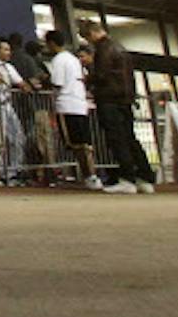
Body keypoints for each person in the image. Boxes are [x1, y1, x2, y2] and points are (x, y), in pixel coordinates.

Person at [79, 21, 153, 193]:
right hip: (125, 99)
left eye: (87, 38)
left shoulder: (103, 49)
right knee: (130, 138)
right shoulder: (120, 48)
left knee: (117, 139)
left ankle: (127, 178)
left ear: (92, 34)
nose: (89, 42)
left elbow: (102, 75)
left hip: (109, 99)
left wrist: (88, 80)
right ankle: (145, 177)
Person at [43, 29, 98, 189]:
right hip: (80, 104)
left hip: (67, 104)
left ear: (51, 43)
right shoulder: (74, 59)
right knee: (84, 143)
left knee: (77, 144)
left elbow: (57, 82)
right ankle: (91, 175)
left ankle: (90, 176)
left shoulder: (59, 60)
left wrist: (44, 81)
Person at [0, 38, 29, 186]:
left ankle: (13, 171)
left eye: (9, 49)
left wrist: (27, 86)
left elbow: (21, 83)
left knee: (18, 137)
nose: (8, 52)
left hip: (8, 105)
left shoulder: (9, 67)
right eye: (5, 49)